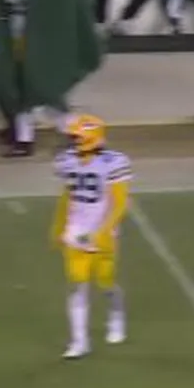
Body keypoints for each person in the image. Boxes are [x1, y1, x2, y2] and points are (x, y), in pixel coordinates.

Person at [0, 0, 101, 157]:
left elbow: (58, 12)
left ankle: (78, 133)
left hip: (39, 43)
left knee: (44, 91)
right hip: (12, 40)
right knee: (17, 89)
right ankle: (23, 139)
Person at [51, 114, 131, 359]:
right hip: (76, 231)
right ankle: (79, 341)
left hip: (102, 230)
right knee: (77, 284)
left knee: (106, 282)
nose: (73, 141)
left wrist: (105, 231)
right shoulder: (67, 161)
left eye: (77, 137)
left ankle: (116, 314)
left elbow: (121, 203)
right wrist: (59, 226)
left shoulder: (112, 162)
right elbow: (67, 195)